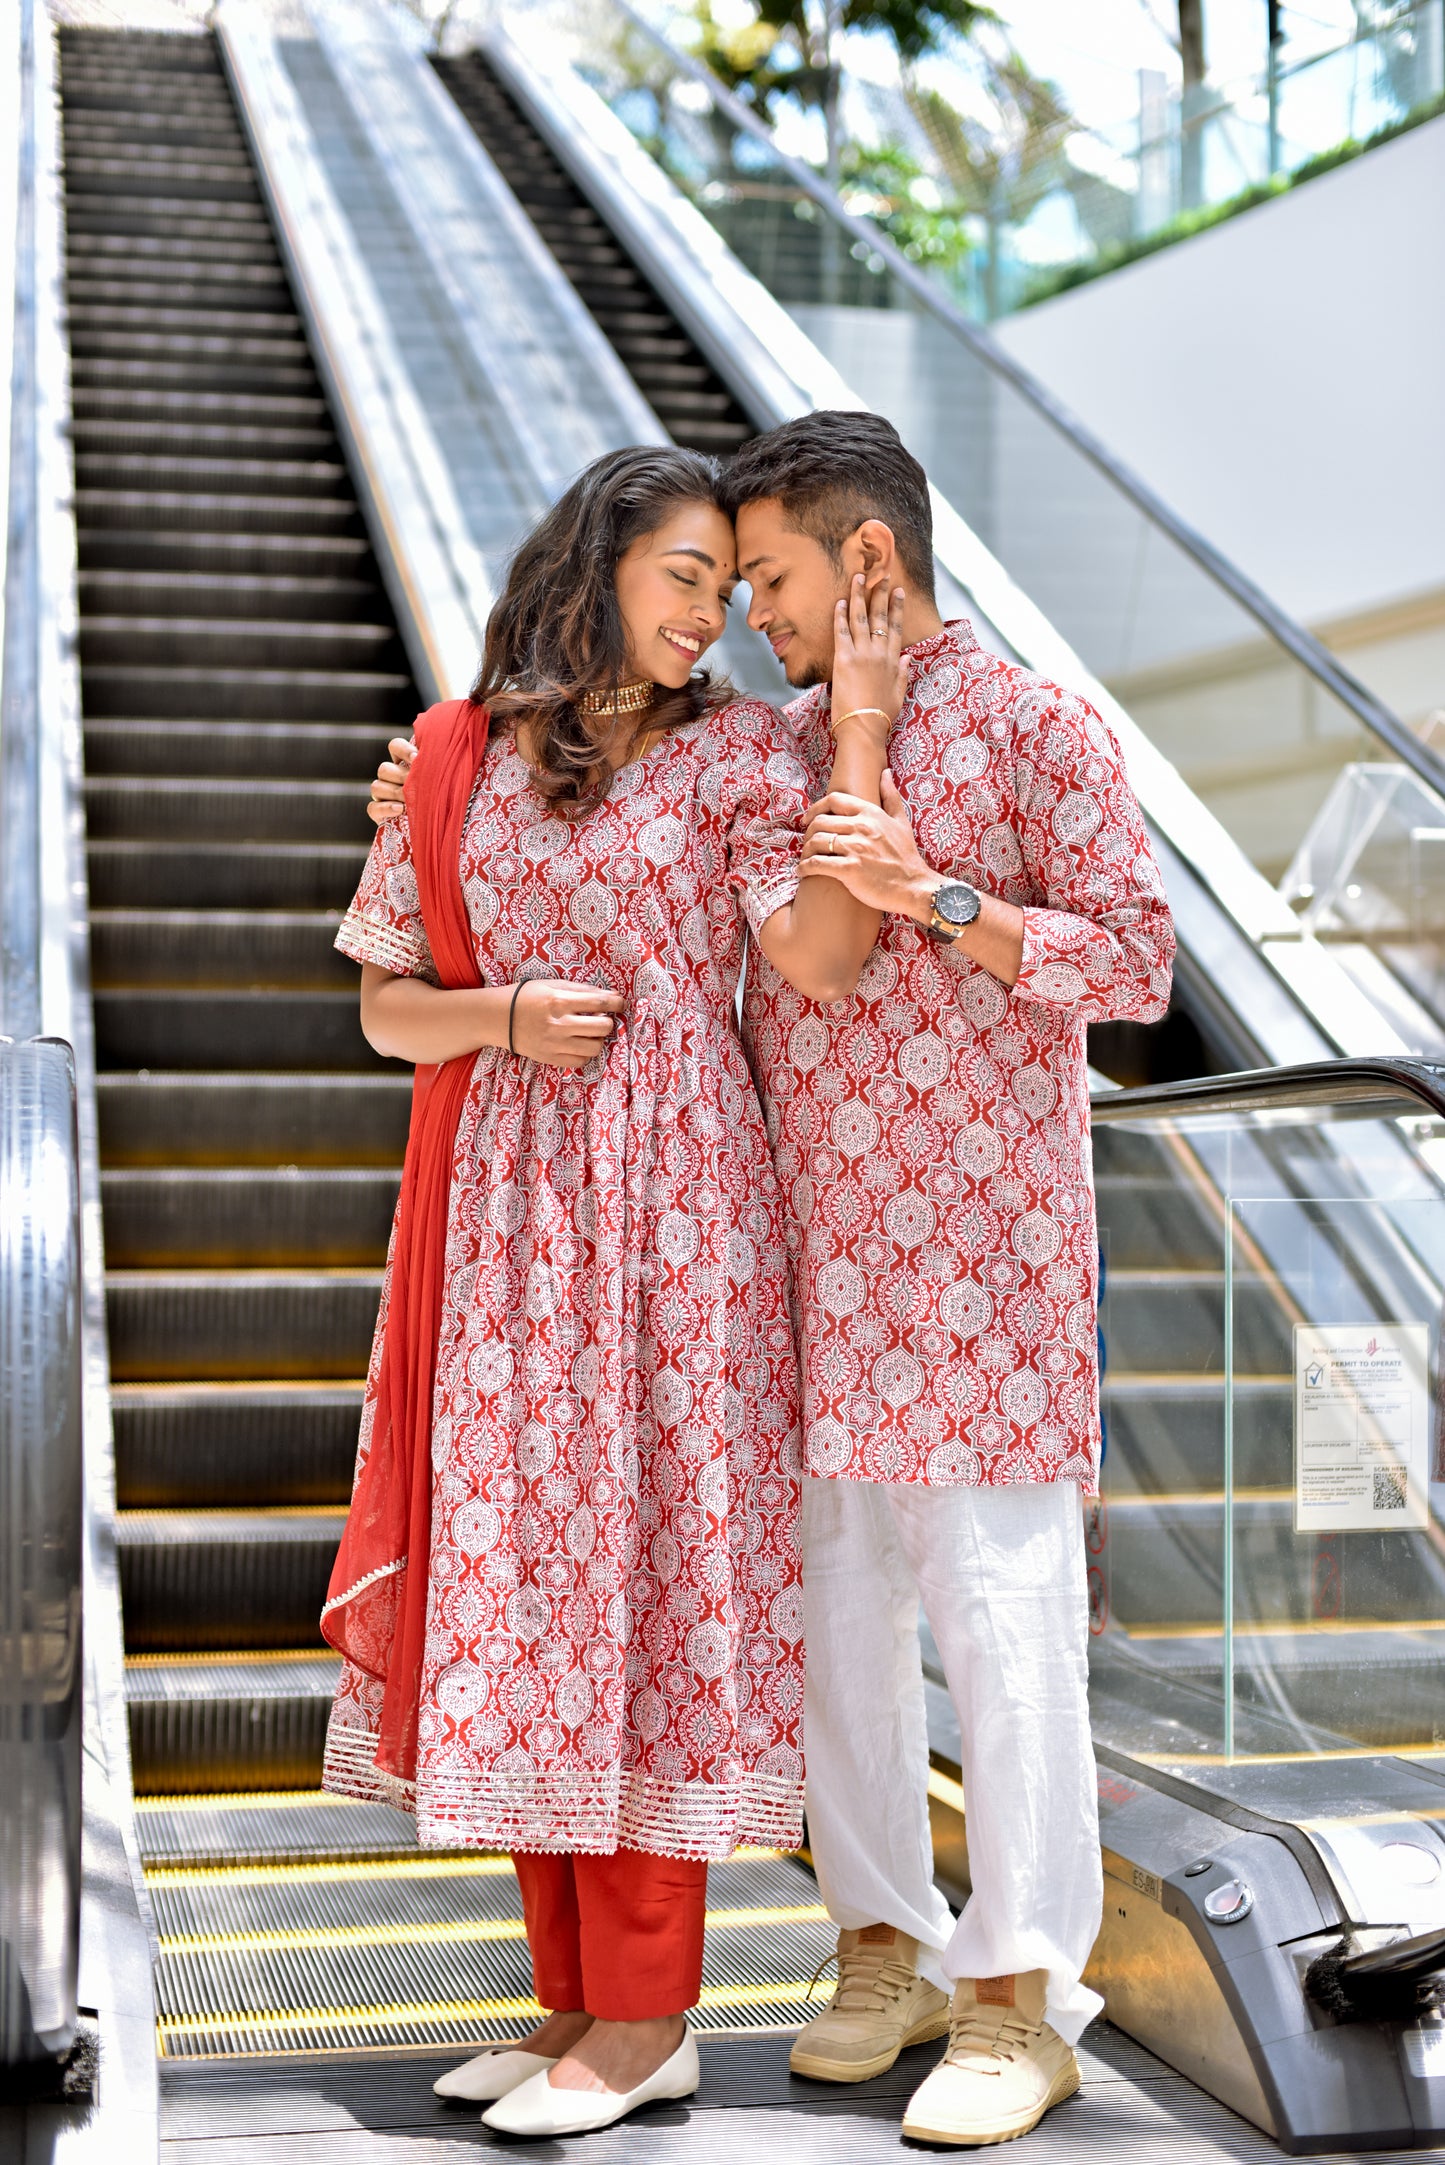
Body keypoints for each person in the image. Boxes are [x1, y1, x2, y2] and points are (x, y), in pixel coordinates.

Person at [369, 413, 1175, 2148]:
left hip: (980, 1271)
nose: (749, 616)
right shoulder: (763, 743)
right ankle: (873, 1950)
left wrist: (947, 898)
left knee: (1005, 1635)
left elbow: (1137, 964)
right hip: (780, 1268)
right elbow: (571, 810)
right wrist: (427, 785)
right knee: (838, 1650)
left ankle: (1016, 1997)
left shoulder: (1040, 728)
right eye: (722, 583)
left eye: (770, 578)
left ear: (863, 559)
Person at [326, 443, 905, 2140]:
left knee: (647, 1585)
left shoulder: (736, 754)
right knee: (524, 1585)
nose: (710, 616)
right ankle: (573, 1995)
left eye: (729, 593)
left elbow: (813, 954)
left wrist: (853, 724)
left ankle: (648, 2020)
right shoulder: (455, 759)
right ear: (594, 569)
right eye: (683, 581)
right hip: (503, 1215)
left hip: (679, 1218)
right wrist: (501, 1015)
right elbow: (383, 1005)